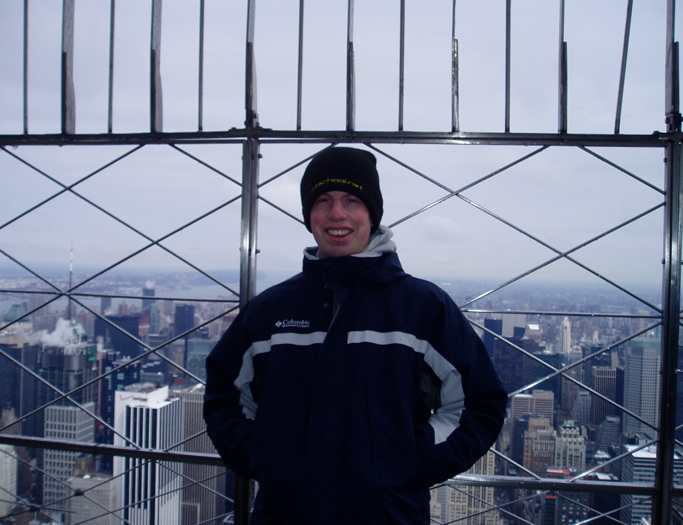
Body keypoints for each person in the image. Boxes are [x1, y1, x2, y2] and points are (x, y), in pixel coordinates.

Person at [203, 146, 507, 525]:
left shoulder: (423, 308)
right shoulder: (270, 311)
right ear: (308, 214)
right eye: (323, 200)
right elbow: (223, 396)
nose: (336, 214)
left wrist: (413, 458)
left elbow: (481, 403)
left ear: (372, 213)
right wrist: (262, 454)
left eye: (352, 200)